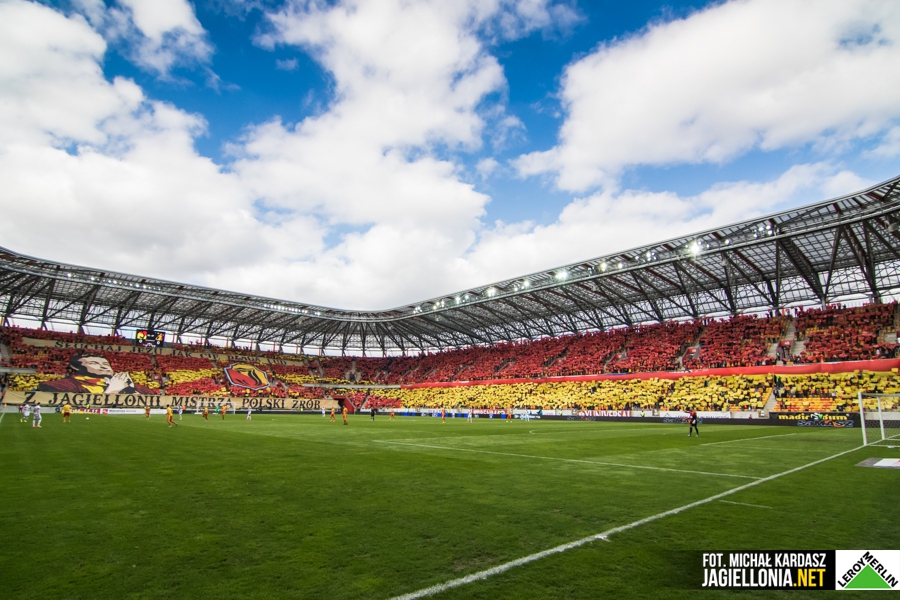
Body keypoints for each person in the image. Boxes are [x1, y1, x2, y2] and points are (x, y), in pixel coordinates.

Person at [37, 354, 155, 394]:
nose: (103, 366)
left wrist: (131, 389)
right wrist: (112, 391)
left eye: (106, 363)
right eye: (94, 363)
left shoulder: (125, 383)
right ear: (78, 368)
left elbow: (152, 396)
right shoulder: (69, 384)